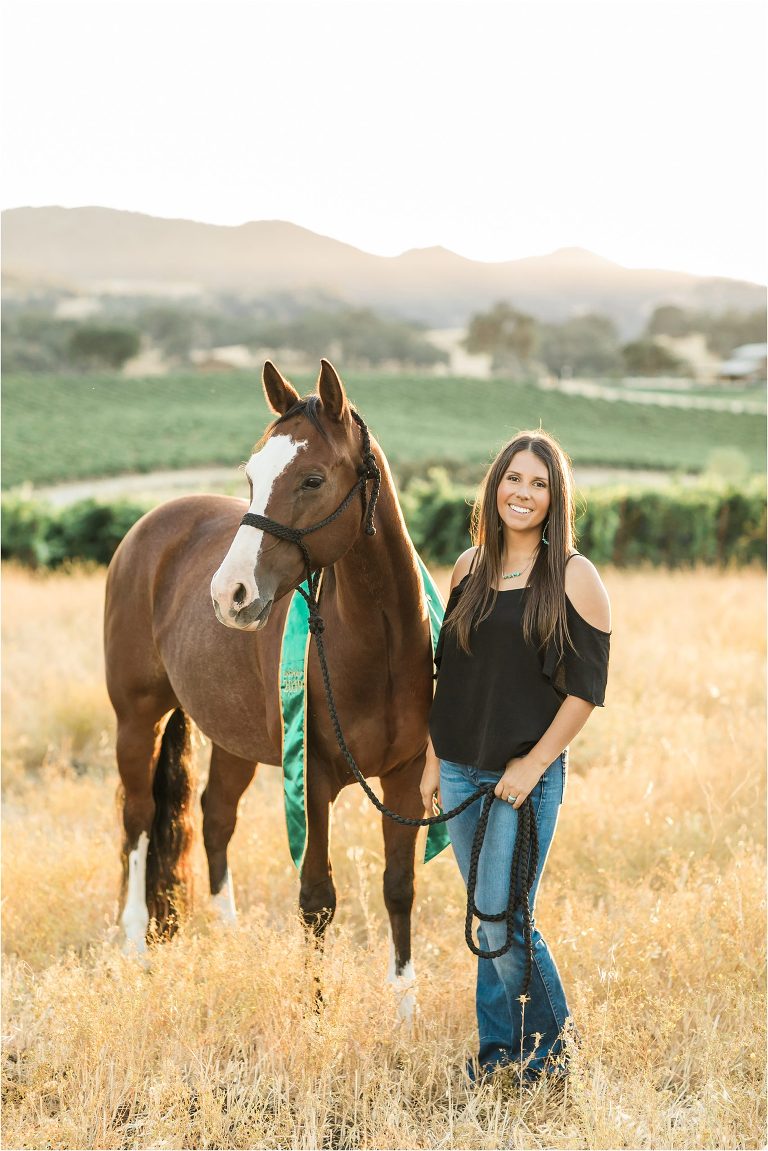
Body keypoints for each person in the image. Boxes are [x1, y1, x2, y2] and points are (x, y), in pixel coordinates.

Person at [420, 429, 611, 1084]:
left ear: (555, 497)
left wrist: (533, 765)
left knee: (505, 917)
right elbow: (448, 674)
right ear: (494, 485)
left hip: (521, 778)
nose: (522, 492)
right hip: (459, 767)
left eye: (538, 482)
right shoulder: (468, 567)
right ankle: (499, 1050)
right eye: (513, 478)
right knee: (485, 912)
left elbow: (586, 692)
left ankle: (553, 1058)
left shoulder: (575, 577)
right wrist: (430, 760)